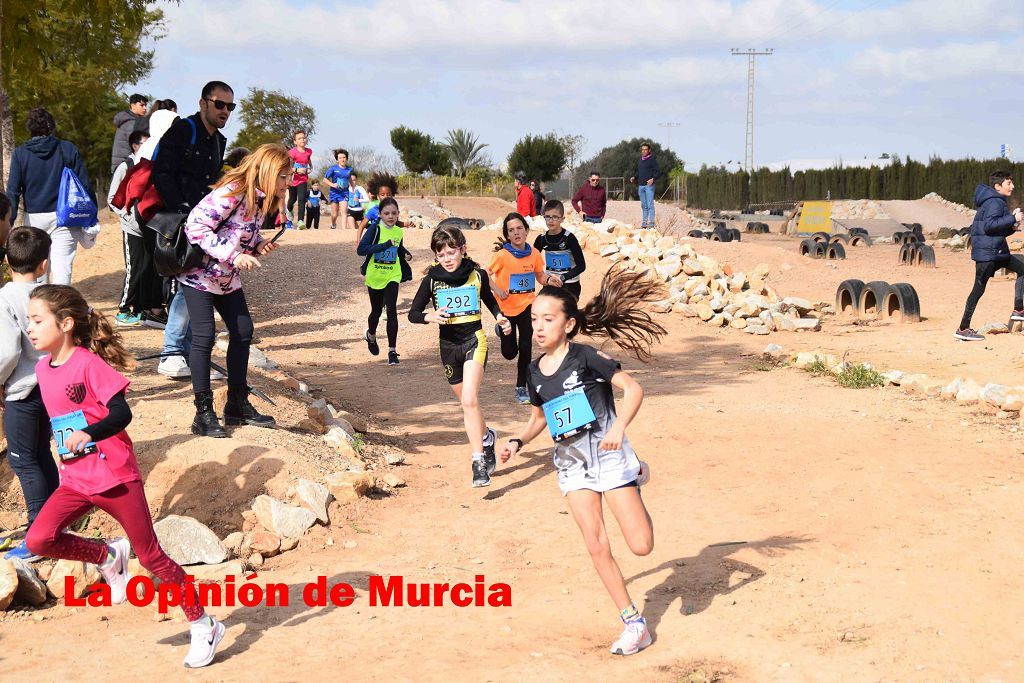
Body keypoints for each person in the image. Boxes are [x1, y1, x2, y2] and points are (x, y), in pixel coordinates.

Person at [23, 285, 225, 668]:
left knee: (152, 557)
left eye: (37, 320)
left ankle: (203, 623)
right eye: (28, 321)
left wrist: (90, 433)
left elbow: (121, 414)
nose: (30, 328)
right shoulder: (40, 369)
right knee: (39, 537)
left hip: (114, 477)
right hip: (76, 480)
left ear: (65, 324)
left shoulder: (87, 364)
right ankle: (106, 555)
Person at [499, 267, 665, 657]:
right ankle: (634, 623)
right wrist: (517, 442)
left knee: (641, 546)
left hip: (609, 455)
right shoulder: (534, 372)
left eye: (548, 319)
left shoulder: (587, 357)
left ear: (569, 324)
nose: (538, 327)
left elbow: (633, 389)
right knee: (595, 543)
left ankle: (637, 472)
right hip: (573, 466)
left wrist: (619, 426)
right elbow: (540, 418)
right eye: (535, 319)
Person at [179, 144, 283, 437]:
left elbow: (238, 231)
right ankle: (203, 413)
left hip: (227, 278)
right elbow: (196, 227)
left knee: (243, 331)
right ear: (269, 171)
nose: (287, 184)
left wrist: (258, 244)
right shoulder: (233, 190)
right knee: (204, 337)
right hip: (199, 277)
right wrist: (234, 255)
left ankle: (236, 405)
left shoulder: (259, 199)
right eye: (284, 177)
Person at [408, 221, 511, 487]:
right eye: (440, 255)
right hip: (448, 348)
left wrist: (501, 317)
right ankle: (487, 437)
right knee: (468, 404)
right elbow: (413, 313)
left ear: (462, 250)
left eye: (451, 252)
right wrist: (429, 316)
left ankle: (478, 462)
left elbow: (489, 299)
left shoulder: (477, 274)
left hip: (474, 340)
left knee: (469, 400)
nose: (446, 259)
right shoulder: (431, 280)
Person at [151, 80, 234, 380]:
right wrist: (182, 210)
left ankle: (189, 355)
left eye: (230, 106)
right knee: (190, 283)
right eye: (219, 104)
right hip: (179, 221)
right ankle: (172, 353)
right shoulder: (183, 130)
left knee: (198, 283)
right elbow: (161, 172)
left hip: (204, 222)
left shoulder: (218, 140)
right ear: (203, 103)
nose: (225, 111)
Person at [1, 225, 57, 562]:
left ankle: (39, 533)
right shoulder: (54, 293)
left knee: (23, 462)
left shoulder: (6, 298)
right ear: (44, 263)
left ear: (7, 261)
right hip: (52, 388)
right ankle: (56, 522)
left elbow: (7, 352)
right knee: (41, 451)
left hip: (22, 391)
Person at [6, 107, 97, 286]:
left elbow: (13, 191)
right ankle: (60, 310)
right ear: (51, 127)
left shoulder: (20, 153)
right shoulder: (67, 149)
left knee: (38, 272)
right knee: (63, 269)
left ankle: (39, 311)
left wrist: (9, 222)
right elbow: (85, 184)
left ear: (30, 128)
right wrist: (91, 216)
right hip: (65, 217)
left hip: (34, 219)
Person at [488, 212, 561, 405]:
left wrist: (549, 279)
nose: (516, 233)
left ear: (526, 231)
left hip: (528, 305)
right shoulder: (502, 256)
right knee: (509, 353)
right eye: (511, 230)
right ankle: (501, 330)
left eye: (519, 228)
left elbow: (539, 275)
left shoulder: (534, 254)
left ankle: (521, 387)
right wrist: (497, 288)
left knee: (526, 346)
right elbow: (484, 274)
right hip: (506, 309)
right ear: (507, 234)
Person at [108, 130, 168, 329]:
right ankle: (123, 310)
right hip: (132, 228)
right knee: (133, 269)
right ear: (135, 145)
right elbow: (113, 199)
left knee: (147, 268)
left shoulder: (153, 167)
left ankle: (141, 309)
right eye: (144, 143)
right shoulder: (126, 166)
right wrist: (127, 217)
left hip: (149, 228)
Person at [955, 170, 1024, 340]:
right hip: (988, 255)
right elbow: (990, 226)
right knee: (977, 290)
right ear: (997, 186)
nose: (1012, 186)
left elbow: (994, 231)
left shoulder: (995, 201)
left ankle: (1018, 310)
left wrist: (1012, 227)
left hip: (996, 253)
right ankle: (963, 329)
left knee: (1022, 267)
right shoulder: (994, 202)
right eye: (1009, 183)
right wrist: (1013, 217)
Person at [357, 197, 411, 366]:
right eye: (386, 213)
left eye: (394, 213)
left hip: (392, 275)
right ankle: (371, 335)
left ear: (398, 214)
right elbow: (361, 249)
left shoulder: (398, 231)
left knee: (392, 310)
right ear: (379, 214)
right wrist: (385, 245)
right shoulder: (375, 229)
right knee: (376, 312)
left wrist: (405, 253)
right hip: (375, 276)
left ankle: (392, 351)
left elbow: (398, 247)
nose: (391, 216)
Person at [534, 199, 587, 300]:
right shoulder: (541, 239)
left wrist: (563, 277)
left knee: (564, 313)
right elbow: (530, 257)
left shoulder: (569, 238)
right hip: (550, 282)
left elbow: (581, 266)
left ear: (562, 219)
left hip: (570, 284)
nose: (551, 220)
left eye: (555, 217)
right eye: (547, 217)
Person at [111, 93, 147, 173]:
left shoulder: (126, 119)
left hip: (119, 164)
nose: (145, 108)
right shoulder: (131, 122)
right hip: (126, 165)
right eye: (142, 105)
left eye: (145, 105)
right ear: (133, 105)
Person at [358, 173, 398, 244]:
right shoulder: (373, 210)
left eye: (388, 194)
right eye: (382, 195)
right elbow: (362, 225)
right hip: (376, 242)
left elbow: (395, 223)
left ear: (392, 195)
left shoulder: (393, 211)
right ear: (378, 196)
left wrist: (406, 224)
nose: (386, 196)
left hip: (390, 240)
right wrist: (358, 240)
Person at [630, 143, 661, 229]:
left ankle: (651, 224)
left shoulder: (652, 159)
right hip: (641, 186)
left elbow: (658, 172)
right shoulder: (640, 159)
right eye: (642, 149)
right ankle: (644, 224)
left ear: (649, 150)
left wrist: (653, 179)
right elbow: (639, 172)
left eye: (645, 149)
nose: (644, 151)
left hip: (649, 186)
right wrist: (634, 177)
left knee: (650, 204)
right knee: (644, 205)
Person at [287, 130, 313, 230]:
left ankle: (300, 221)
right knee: (292, 200)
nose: (302, 139)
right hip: (293, 179)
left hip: (303, 179)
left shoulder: (309, 151)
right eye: (299, 138)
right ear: (295, 142)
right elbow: (287, 168)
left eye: (304, 138)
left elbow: (309, 163)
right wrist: (297, 170)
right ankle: (289, 214)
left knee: (302, 200)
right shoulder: (292, 152)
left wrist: (309, 169)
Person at [324, 149, 351, 229]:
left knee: (344, 211)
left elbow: (350, 179)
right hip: (334, 193)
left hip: (344, 193)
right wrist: (332, 184)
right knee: (335, 214)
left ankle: (344, 230)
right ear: (337, 160)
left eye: (344, 157)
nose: (342, 159)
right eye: (340, 158)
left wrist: (353, 188)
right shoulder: (333, 168)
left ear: (346, 158)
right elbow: (324, 179)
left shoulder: (349, 169)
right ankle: (333, 223)